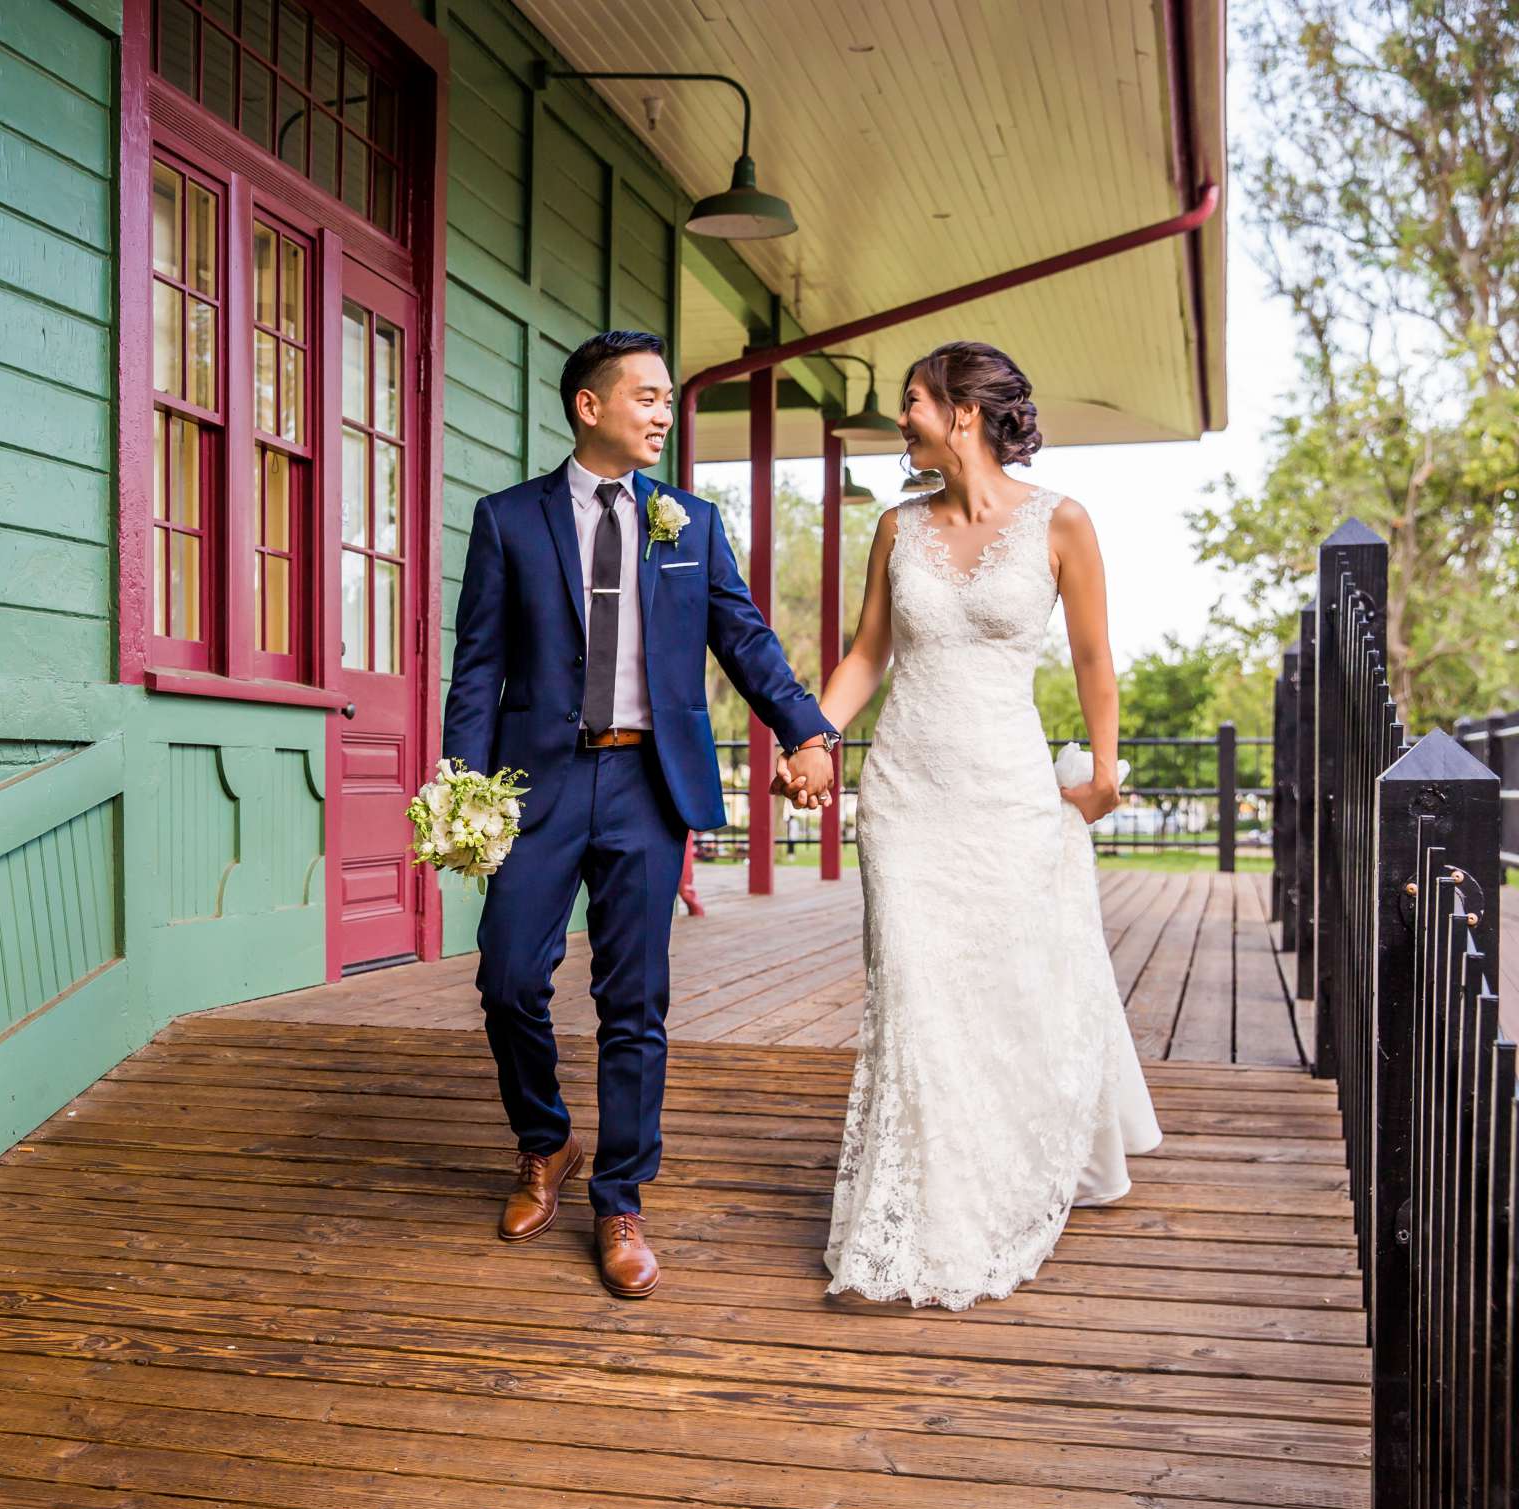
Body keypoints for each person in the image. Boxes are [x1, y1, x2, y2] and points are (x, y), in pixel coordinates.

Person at [442, 330, 837, 1298]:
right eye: (648, 397)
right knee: (505, 977)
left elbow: (745, 639)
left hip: (646, 787)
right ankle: (546, 1142)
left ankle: (620, 1196)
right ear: (591, 406)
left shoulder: (689, 524)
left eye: (667, 399)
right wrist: (463, 787)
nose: (664, 412)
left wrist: (804, 730)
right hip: (535, 787)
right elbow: (478, 668)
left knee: (635, 1001)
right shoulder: (508, 522)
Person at [785, 339, 1163, 1311]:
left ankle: (1005, 1170)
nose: (901, 417)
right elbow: (868, 653)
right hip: (907, 796)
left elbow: (1092, 658)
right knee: (913, 996)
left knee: (1001, 995)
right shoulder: (896, 529)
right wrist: (815, 736)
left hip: (1005, 793)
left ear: (961, 413)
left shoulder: (1062, 522)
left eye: (912, 400)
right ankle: (927, 1209)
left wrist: (1108, 768)